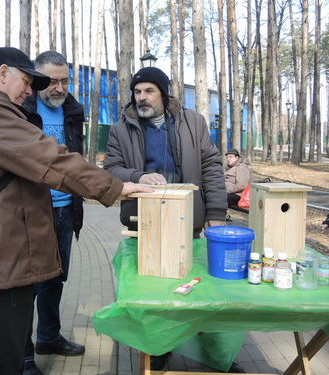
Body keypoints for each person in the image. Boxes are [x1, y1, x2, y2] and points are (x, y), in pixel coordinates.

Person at [0, 47, 151, 375]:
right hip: (5, 246)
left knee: (0, 344)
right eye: (26, 81)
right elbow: (49, 158)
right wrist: (115, 187)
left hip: (7, 243)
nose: (30, 90)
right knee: (0, 350)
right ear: (3, 73)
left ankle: (43, 342)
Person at [103, 67, 244, 373]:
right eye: (137, 92)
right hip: (145, 223)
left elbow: (210, 167)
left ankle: (215, 354)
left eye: (149, 91)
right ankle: (158, 349)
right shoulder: (120, 129)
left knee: (200, 290)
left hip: (189, 220)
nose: (142, 98)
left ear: (163, 95)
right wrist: (139, 176)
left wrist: (216, 214)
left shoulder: (193, 122)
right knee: (156, 293)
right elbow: (111, 169)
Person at [22, 51, 85, 375]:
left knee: (55, 280)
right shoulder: (23, 108)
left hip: (64, 211)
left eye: (65, 80)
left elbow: (77, 160)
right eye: (53, 81)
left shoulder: (74, 110)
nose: (59, 88)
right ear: (37, 80)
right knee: (29, 285)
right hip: (32, 212)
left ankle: (48, 337)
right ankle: (24, 356)